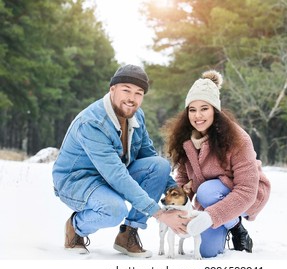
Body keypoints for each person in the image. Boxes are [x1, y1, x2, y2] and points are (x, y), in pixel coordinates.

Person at [52, 64, 187, 258]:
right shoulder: (92, 123)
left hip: (111, 176)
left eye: (139, 93)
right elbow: (116, 175)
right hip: (77, 181)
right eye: (126, 90)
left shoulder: (136, 115)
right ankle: (76, 227)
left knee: (160, 165)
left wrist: (179, 195)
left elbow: (148, 157)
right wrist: (160, 214)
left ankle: (128, 235)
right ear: (112, 89)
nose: (132, 98)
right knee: (114, 210)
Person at [162, 70, 271, 258]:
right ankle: (224, 223)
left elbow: (246, 190)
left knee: (207, 190)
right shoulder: (185, 139)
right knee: (207, 252)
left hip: (246, 195)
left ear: (215, 110)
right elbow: (183, 178)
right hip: (210, 201)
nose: (198, 116)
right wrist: (177, 206)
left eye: (204, 108)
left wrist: (210, 217)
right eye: (192, 109)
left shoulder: (238, 139)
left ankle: (237, 227)